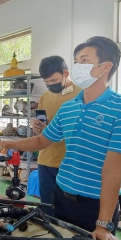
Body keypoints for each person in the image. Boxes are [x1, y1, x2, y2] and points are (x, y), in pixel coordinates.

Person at [0, 36, 121, 240]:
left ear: (105, 67)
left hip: (93, 206)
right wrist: (7, 143)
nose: (77, 65)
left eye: (84, 59)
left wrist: (102, 225)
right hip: (61, 196)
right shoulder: (68, 108)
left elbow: (112, 170)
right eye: (76, 60)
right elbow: (42, 140)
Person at [33, 56, 81, 215]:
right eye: (46, 82)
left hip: (68, 163)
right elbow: (42, 133)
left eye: (53, 80)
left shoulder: (81, 95)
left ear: (65, 73)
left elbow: (82, 131)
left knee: (68, 211)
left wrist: (53, 127)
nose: (50, 85)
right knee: (47, 207)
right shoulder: (44, 97)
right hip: (45, 161)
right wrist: (39, 128)